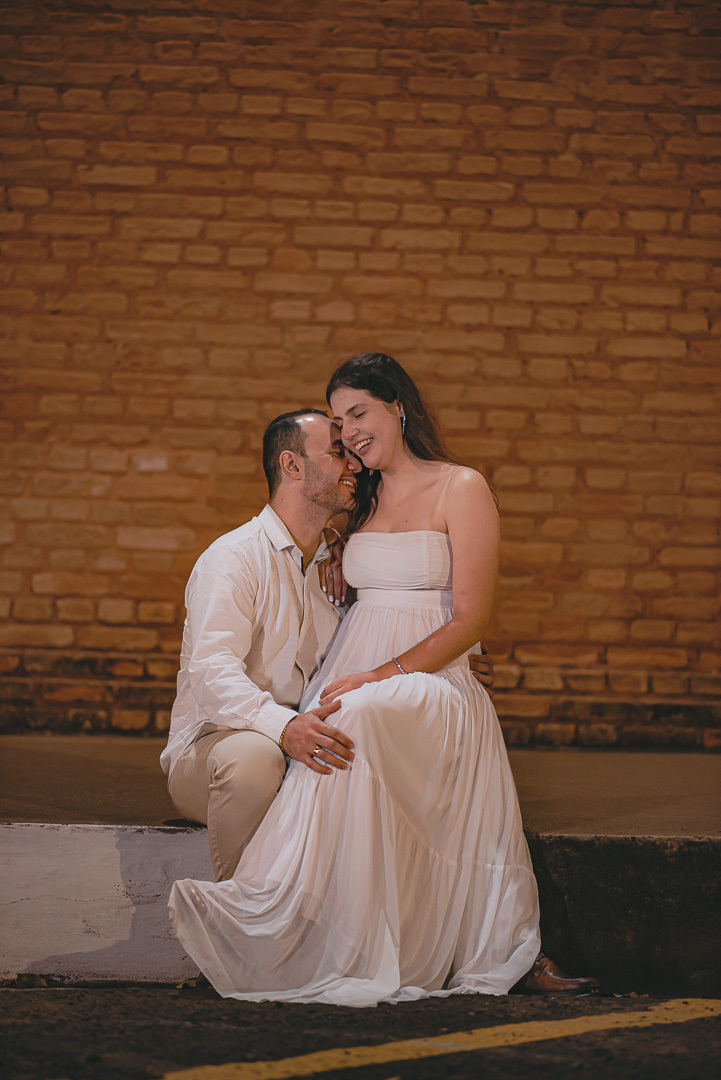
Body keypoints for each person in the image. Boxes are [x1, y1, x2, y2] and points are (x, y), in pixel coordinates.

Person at [169, 354, 599, 1004]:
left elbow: (473, 612)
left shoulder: (461, 486)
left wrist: (385, 669)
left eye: (358, 414)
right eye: (338, 426)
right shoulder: (355, 500)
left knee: (361, 713)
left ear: (397, 404)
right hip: (353, 676)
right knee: (342, 722)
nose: (349, 435)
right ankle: (304, 931)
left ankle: (503, 947)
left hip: (420, 675)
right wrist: (343, 567)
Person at [160, 408, 494, 882]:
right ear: (293, 466)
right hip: (218, 745)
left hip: (305, 735)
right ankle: (247, 922)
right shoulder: (233, 558)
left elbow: (380, 639)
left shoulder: (333, 567)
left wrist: (457, 661)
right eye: (337, 453)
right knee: (256, 760)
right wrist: (285, 727)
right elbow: (212, 672)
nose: (354, 464)